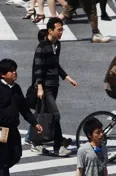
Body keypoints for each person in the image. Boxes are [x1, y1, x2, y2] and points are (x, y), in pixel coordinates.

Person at [31, 18, 77, 157]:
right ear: (50, 30)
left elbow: (56, 65)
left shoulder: (57, 44)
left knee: (45, 114)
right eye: (59, 30)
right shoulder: (42, 46)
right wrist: (40, 87)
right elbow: (38, 68)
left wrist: (67, 78)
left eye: (62, 29)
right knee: (55, 115)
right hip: (45, 87)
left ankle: (37, 142)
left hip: (54, 84)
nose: (61, 32)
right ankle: (58, 146)